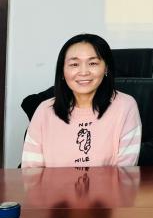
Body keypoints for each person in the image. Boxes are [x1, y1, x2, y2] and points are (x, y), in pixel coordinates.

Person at [22, 34, 141, 168]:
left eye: (93, 63)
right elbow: (31, 172)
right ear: (62, 71)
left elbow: (125, 172)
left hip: (110, 183)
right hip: (51, 183)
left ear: (106, 68)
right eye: (74, 64)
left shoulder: (125, 106)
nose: (83, 72)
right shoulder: (44, 110)